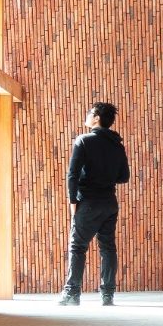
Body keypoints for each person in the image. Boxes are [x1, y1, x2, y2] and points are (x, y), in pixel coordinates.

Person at [59, 100, 131, 306]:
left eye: (90, 113)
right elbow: (124, 176)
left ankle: (72, 293)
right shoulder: (117, 144)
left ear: (97, 117)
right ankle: (107, 295)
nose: (87, 115)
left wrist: (73, 201)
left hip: (88, 202)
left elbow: (72, 174)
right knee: (108, 247)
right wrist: (105, 175)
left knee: (77, 247)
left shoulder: (84, 141)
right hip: (109, 202)